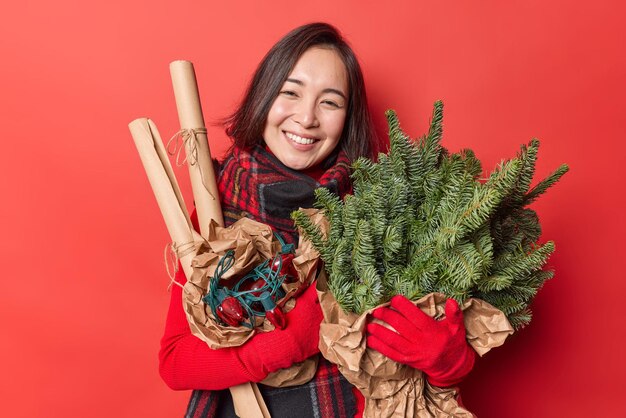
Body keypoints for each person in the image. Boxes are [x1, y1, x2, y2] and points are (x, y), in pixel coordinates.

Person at [159, 22, 475, 418]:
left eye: (330, 102)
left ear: (349, 117)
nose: (306, 118)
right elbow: (175, 362)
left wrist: (449, 364)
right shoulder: (214, 211)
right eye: (290, 93)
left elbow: (404, 377)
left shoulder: (378, 215)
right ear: (264, 97)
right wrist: (291, 340)